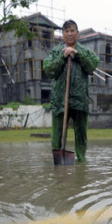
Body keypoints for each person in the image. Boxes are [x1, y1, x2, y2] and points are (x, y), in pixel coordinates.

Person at [43, 20, 99, 162]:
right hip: (60, 100)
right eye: (66, 31)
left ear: (77, 34)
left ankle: (81, 160)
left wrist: (77, 54)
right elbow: (49, 71)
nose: (69, 34)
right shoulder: (56, 52)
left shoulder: (85, 52)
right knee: (57, 133)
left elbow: (92, 65)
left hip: (80, 100)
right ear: (62, 34)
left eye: (72, 30)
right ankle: (58, 159)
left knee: (81, 133)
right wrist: (63, 57)